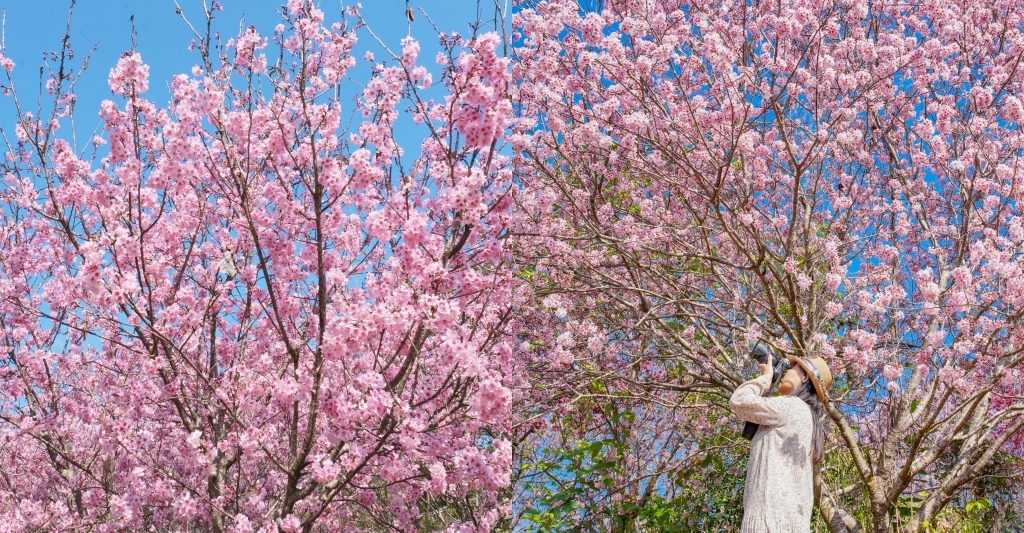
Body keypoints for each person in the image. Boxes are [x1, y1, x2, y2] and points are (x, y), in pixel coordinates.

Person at [729, 350, 832, 533]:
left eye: (792, 368)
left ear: (805, 378)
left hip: (769, 522)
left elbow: (739, 401)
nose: (784, 373)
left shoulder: (793, 406)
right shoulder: (805, 415)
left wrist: (766, 379)